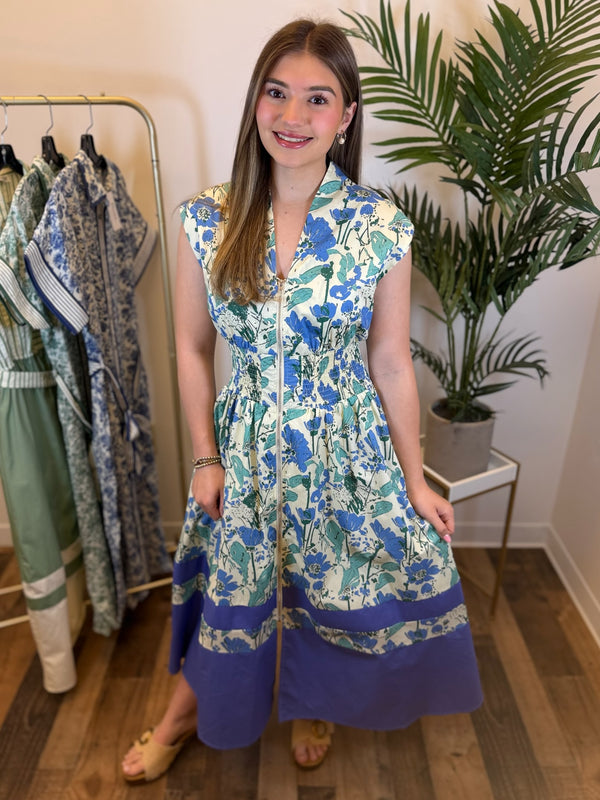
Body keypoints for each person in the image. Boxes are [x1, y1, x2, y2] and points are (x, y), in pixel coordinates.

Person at [122, 17, 482, 783]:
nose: (293, 117)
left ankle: (314, 700)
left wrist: (416, 479)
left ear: (346, 116)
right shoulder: (206, 221)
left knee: (334, 589)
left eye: (318, 99)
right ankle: (182, 714)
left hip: (344, 450)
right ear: (256, 101)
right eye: (277, 93)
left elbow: (389, 361)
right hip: (245, 451)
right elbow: (192, 348)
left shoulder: (378, 228)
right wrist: (205, 458)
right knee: (236, 589)